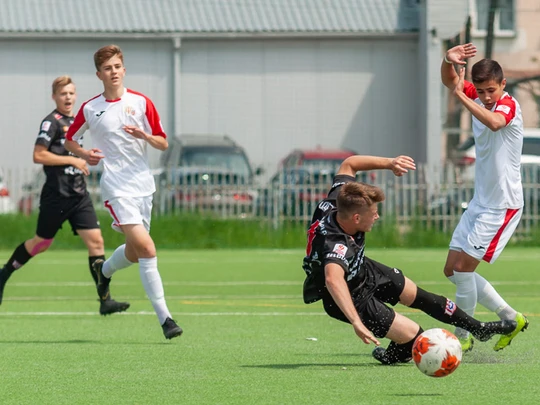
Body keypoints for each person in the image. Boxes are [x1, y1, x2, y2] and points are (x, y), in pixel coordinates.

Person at [302, 154, 518, 365]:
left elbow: (349, 164)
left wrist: (390, 163)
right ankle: (393, 355)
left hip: (361, 270)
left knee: (421, 297)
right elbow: (333, 280)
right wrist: (356, 322)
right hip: (348, 297)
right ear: (356, 218)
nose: (377, 216)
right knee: (418, 339)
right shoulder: (336, 244)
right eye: (374, 213)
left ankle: (477, 328)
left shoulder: (341, 199)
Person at [64, 45, 182, 340]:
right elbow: (69, 139)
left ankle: (104, 272)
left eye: (117, 66)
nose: (113, 72)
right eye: (107, 68)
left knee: (133, 251)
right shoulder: (91, 108)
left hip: (143, 186)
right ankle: (166, 319)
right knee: (147, 248)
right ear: (99, 74)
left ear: (123, 70)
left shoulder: (141, 103)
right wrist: (83, 154)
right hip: (116, 186)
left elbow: (163, 143)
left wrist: (146, 136)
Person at [0, 76, 130, 316]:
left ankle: (105, 300)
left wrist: (86, 155)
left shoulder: (78, 121)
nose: (68, 97)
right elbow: (39, 155)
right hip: (56, 196)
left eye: (71, 93)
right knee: (41, 243)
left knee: (97, 242)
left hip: (78, 195)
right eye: (63, 94)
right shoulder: (51, 123)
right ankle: (4, 273)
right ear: (54, 97)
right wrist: (71, 158)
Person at [441, 43, 528, 352]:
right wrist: (447, 60)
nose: (486, 96)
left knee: (464, 271)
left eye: (491, 90)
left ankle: (461, 338)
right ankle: (509, 317)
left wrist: (464, 96)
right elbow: (450, 81)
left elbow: (494, 123)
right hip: (481, 202)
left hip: (502, 205)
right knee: (452, 270)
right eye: (481, 90)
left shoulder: (508, 105)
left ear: (502, 85)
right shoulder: (475, 97)